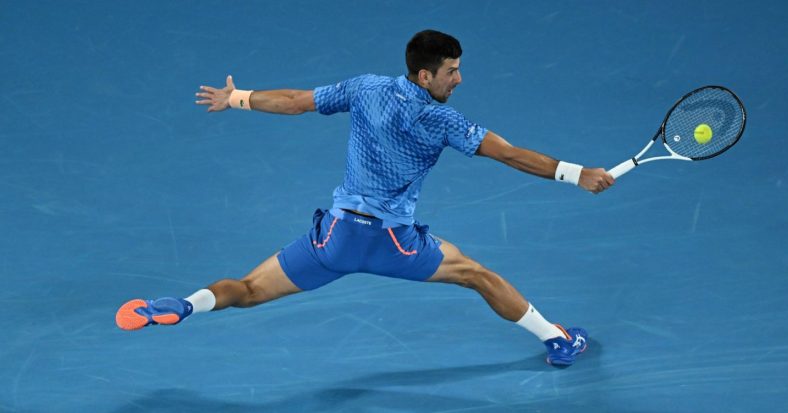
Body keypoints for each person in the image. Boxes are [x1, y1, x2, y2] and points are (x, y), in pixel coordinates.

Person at [115, 29, 614, 366]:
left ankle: (180, 305)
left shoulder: (365, 88)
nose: (458, 78)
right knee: (478, 276)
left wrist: (238, 97)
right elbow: (509, 155)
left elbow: (294, 103)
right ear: (425, 76)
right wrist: (577, 174)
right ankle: (558, 340)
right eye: (451, 71)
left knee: (246, 289)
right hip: (394, 243)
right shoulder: (443, 120)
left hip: (332, 240)